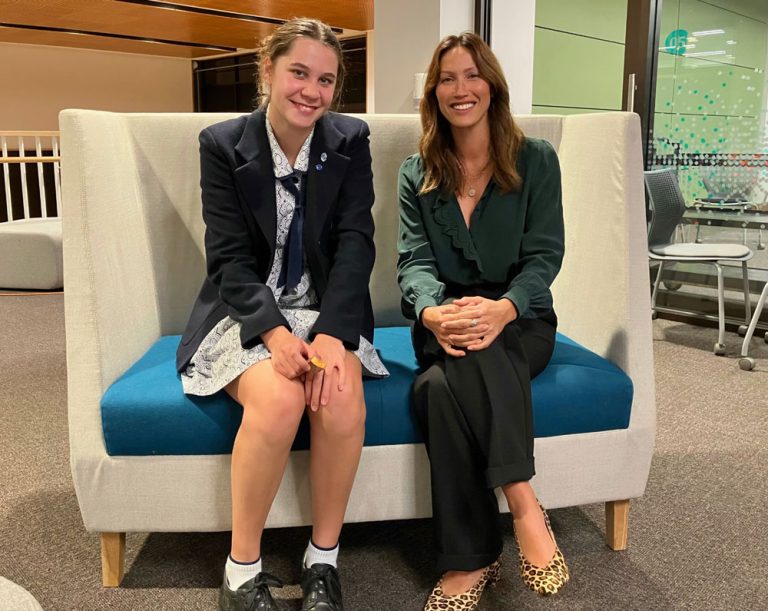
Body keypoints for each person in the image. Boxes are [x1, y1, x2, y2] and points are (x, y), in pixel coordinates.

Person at [176, 17, 387, 611]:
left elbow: (356, 243)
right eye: (299, 72)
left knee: (339, 395)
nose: (311, 91)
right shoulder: (223, 145)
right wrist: (272, 332)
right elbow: (228, 258)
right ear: (267, 70)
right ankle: (241, 570)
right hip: (246, 312)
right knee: (279, 398)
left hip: (325, 314)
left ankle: (323, 561)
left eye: (326, 80)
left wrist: (334, 337)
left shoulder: (350, 140)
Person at [397, 32, 568, 610]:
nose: (460, 88)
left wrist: (504, 308)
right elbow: (413, 260)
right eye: (446, 78)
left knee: (436, 389)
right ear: (433, 93)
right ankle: (522, 502)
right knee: (454, 357)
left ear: (492, 85)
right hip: (445, 322)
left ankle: (473, 556)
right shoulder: (416, 172)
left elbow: (545, 255)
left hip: (521, 318)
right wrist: (431, 311)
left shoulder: (536, 159)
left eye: (472, 75)